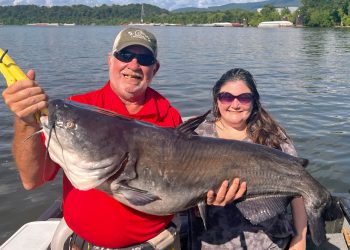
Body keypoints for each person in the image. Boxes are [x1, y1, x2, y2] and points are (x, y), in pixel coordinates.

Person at [1, 28, 246, 250]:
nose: (134, 64)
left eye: (145, 59)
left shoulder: (168, 116)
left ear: (155, 68)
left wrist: (211, 194)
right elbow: (32, 180)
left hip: (156, 245)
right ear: (111, 60)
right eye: (125, 54)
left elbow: (180, 188)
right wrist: (26, 121)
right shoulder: (79, 107)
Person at [190, 68, 307, 250]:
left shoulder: (272, 135)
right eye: (227, 97)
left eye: (244, 98)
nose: (235, 104)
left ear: (254, 101)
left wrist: (300, 238)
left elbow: (299, 187)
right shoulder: (196, 135)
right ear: (216, 100)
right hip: (213, 242)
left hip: (270, 242)